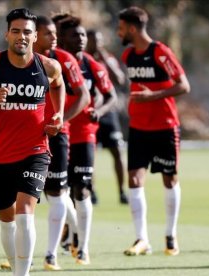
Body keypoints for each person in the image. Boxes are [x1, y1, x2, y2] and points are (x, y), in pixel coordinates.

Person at [0, 8, 65, 276]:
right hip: (0, 155)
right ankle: (17, 267)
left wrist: (58, 113)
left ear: (35, 37)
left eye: (27, 32)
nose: (21, 36)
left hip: (36, 151)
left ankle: (21, 274)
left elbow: (58, 84)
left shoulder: (48, 66)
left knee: (24, 212)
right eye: (15, 31)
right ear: (7, 34)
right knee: (7, 222)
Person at [117, 6, 190, 257]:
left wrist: (154, 96)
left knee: (169, 179)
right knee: (135, 180)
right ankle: (142, 239)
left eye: (121, 28)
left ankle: (170, 235)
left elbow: (183, 85)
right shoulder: (128, 56)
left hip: (165, 127)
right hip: (138, 128)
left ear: (133, 28)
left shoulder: (160, 52)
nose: (119, 33)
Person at [33, 15, 90, 271]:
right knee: (27, 195)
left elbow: (84, 96)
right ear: (34, 35)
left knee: (56, 193)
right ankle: (20, 249)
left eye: (55, 33)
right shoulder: (17, 61)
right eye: (48, 33)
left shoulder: (64, 60)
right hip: (25, 136)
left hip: (57, 136)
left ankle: (51, 254)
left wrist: (60, 118)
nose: (53, 37)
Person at [59, 15, 117, 265]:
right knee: (59, 191)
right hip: (58, 134)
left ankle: (83, 247)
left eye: (83, 35)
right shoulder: (54, 63)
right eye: (75, 35)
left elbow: (110, 95)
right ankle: (70, 231)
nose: (81, 39)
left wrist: (99, 111)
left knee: (81, 189)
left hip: (84, 134)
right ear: (63, 39)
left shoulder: (92, 65)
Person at [86, 29, 128, 204]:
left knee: (117, 151)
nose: (96, 44)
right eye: (93, 40)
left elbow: (120, 80)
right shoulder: (81, 61)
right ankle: (92, 190)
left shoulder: (107, 59)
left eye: (99, 40)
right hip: (90, 112)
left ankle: (121, 191)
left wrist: (103, 57)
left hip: (108, 113)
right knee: (90, 154)